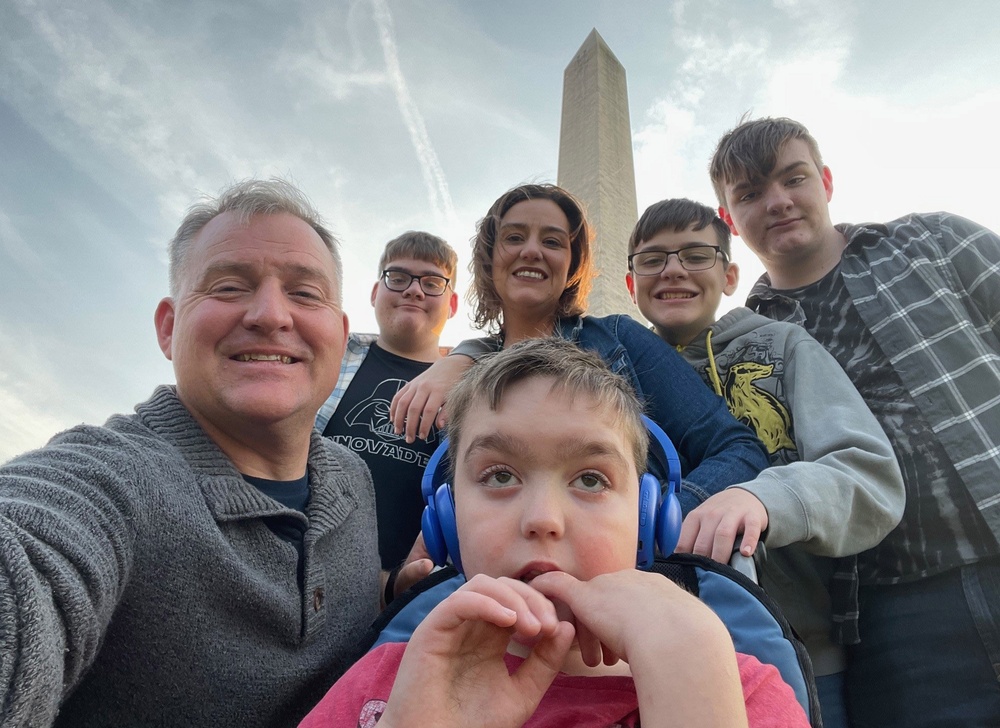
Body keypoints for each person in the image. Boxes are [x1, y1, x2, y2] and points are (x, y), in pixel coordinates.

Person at [0, 179, 424, 727]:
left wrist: (389, 587)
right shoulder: (110, 481)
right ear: (169, 328)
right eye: (228, 287)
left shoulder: (351, 478)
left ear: (341, 337)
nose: (271, 315)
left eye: (304, 293)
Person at [300, 338, 810, 727]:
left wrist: (689, 679)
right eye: (500, 476)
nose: (543, 518)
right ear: (446, 521)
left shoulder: (737, 685)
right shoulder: (386, 682)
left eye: (591, 479)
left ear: (650, 517)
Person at [710, 116, 1000, 727]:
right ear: (729, 217)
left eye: (794, 178)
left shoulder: (935, 240)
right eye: (751, 193)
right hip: (888, 620)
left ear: (827, 181)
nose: (779, 201)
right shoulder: (742, 348)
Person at [625, 197, 904, 727]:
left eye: (695, 254)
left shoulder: (783, 347)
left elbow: (867, 474)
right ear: (630, 281)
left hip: (798, 651)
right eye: (653, 258)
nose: (674, 269)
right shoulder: (609, 372)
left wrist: (762, 497)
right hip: (639, 659)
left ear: (729, 275)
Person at [389, 183, 769, 509]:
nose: (532, 251)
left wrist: (656, 525)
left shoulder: (618, 339)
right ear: (490, 261)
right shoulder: (455, 377)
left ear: (572, 266)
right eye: (514, 237)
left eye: (552, 241)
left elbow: (736, 448)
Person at [316, 231, 458, 569]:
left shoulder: (473, 386)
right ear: (375, 292)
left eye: (432, 282)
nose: (414, 289)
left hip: (410, 598)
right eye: (397, 277)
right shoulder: (324, 356)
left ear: (451, 305)